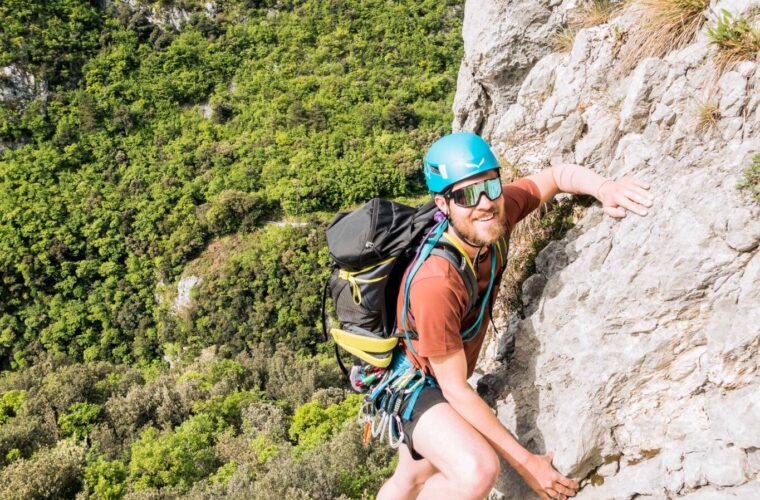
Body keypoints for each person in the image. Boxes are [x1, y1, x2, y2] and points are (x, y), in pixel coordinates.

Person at [376, 132, 654, 500]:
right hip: (413, 383)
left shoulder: (494, 214)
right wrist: (528, 464)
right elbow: (455, 389)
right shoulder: (437, 282)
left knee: (411, 480)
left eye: (490, 185)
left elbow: (556, 177)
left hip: (436, 372)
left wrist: (606, 188)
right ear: (443, 204)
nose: (485, 203)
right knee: (476, 471)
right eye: (466, 195)